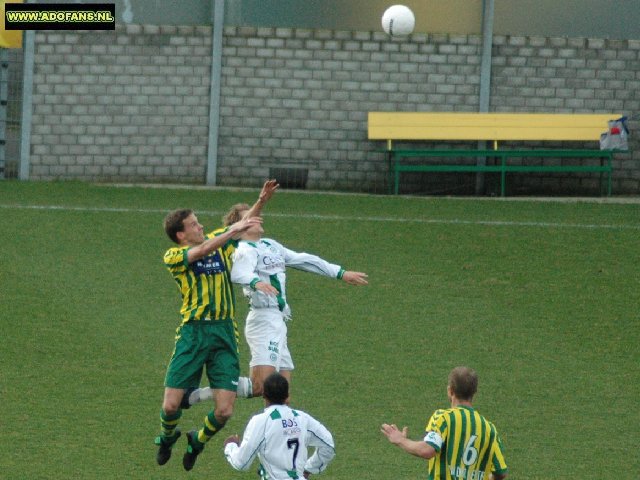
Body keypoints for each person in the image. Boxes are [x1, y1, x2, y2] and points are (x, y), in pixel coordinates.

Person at [154, 179, 278, 471]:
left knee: (224, 411)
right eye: (194, 225)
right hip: (192, 333)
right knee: (171, 406)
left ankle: (196, 441)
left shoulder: (221, 247)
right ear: (181, 234)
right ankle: (167, 436)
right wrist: (231, 231)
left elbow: (242, 224)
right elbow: (200, 251)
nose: (200, 227)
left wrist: (261, 200)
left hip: (223, 332)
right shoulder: (174, 256)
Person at [187, 209, 368, 403]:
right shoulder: (244, 250)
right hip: (263, 320)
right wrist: (256, 282)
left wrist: (340, 273)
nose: (259, 218)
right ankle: (208, 391)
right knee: (264, 387)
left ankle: (277, 432)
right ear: (241, 226)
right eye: (251, 217)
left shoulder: (270, 245)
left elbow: (304, 259)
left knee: (283, 397)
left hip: (279, 321)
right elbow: (239, 274)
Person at [381, 366, 508, 480]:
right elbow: (500, 472)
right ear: (474, 392)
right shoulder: (490, 429)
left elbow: (428, 450)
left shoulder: (443, 419)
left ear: (450, 391)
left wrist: (400, 440)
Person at [223, 372, 335, 479]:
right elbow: (328, 444)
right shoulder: (302, 418)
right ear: (287, 395)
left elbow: (241, 463)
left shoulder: (260, 422)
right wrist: (309, 469)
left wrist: (230, 446)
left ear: (264, 395)